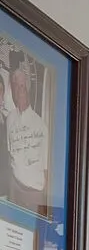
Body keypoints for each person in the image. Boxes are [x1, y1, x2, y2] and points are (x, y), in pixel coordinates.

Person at [2, 56, 50, 218]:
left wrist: (44, 200)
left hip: (34, 193)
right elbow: (10, 154)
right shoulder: (9, 119)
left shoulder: (40, 124)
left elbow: (46, 168)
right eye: (15, 86)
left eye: (22, 85)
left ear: (27, 87)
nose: (19, 90)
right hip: (15, 190)